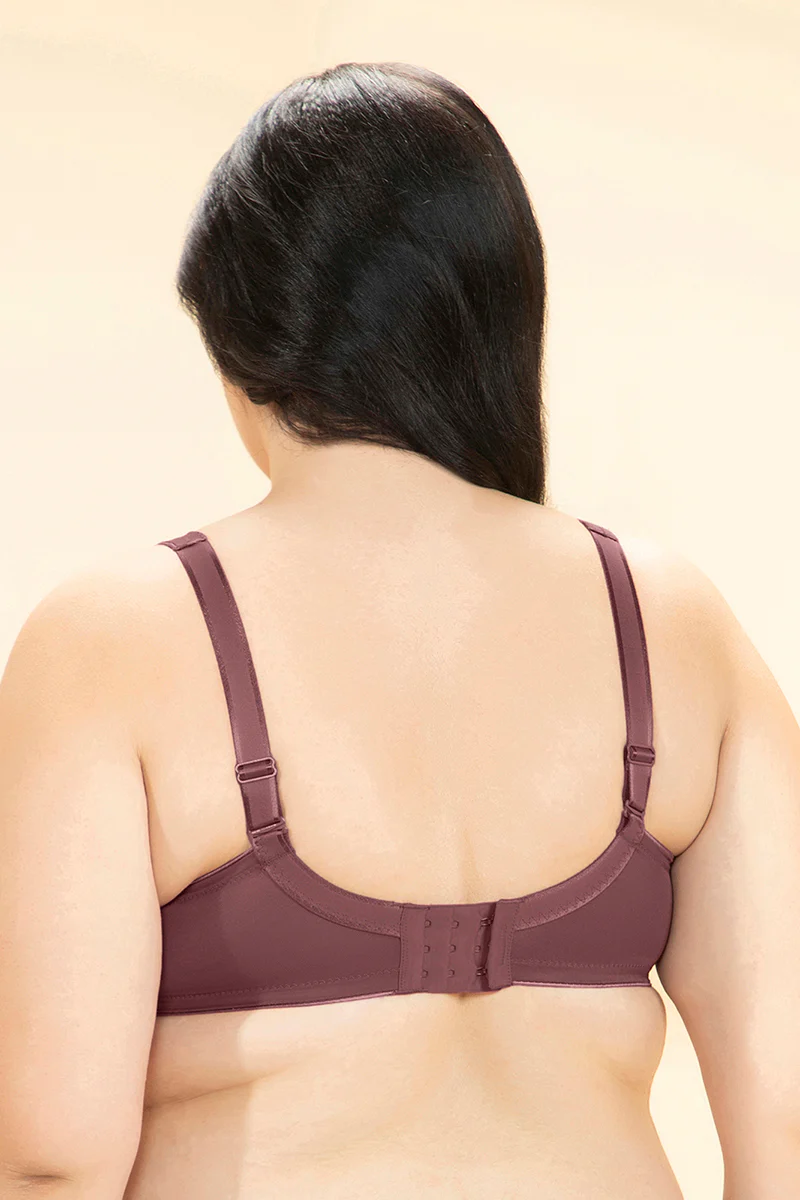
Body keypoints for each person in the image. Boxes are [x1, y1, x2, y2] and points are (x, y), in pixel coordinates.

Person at [1, 60, 798, 1200]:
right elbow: (785, 1128)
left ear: (244, 345)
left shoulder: (115, 640)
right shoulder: (672, 627)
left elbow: (54, 1158)